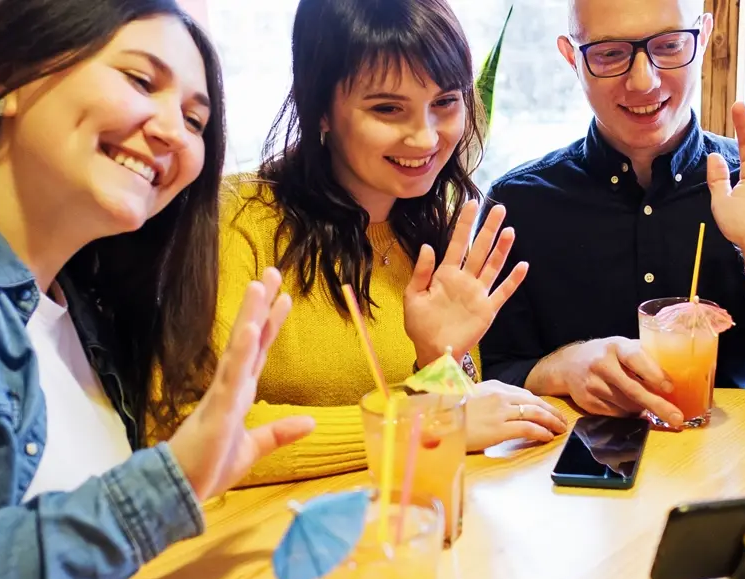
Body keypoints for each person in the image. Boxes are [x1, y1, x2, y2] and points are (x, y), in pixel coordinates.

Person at [0, 0, 314, 579]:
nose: (173, 132)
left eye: (194, 119)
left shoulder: (90, 309)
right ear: (9, 77)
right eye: (139, 80)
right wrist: (162, 488)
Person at [206, 0, 567, 485]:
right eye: (387, 108)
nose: (424, 138)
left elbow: (447, 413)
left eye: (445, 103)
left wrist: (436, 360)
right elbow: (194, 433)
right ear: (321, 109)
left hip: (406, 524)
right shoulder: (237, 222)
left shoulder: (434, 233)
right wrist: (426, 424)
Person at [479, 0, 745, 426]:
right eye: (609, 54)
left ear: (705, 35)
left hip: (734, 473)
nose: (644, 80)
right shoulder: (519, 203)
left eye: (670, 46)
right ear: (571, 57)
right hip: (571, 482)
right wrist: (560, 367)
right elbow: (483, 374)